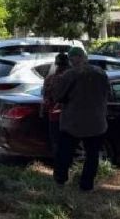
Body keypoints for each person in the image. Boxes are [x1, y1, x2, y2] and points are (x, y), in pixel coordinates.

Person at [53, 47, 110, 191]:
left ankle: (60, 181)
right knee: (92, 156)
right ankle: (86, 186)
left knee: (64, 153)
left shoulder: (70, 74)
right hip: (97, 122)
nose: (71, 62)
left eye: (72, 59)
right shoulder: (101, 73)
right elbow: (107, 93)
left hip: (73, 122)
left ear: (77, 58)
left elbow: (58, 96)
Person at [43, 53, 70, 156]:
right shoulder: (70, 78)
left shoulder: (50, 78)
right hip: (69, 116)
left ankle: (58, 166)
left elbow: (45, 98)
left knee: (56, 142)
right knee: (67, 143)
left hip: (54, 116)